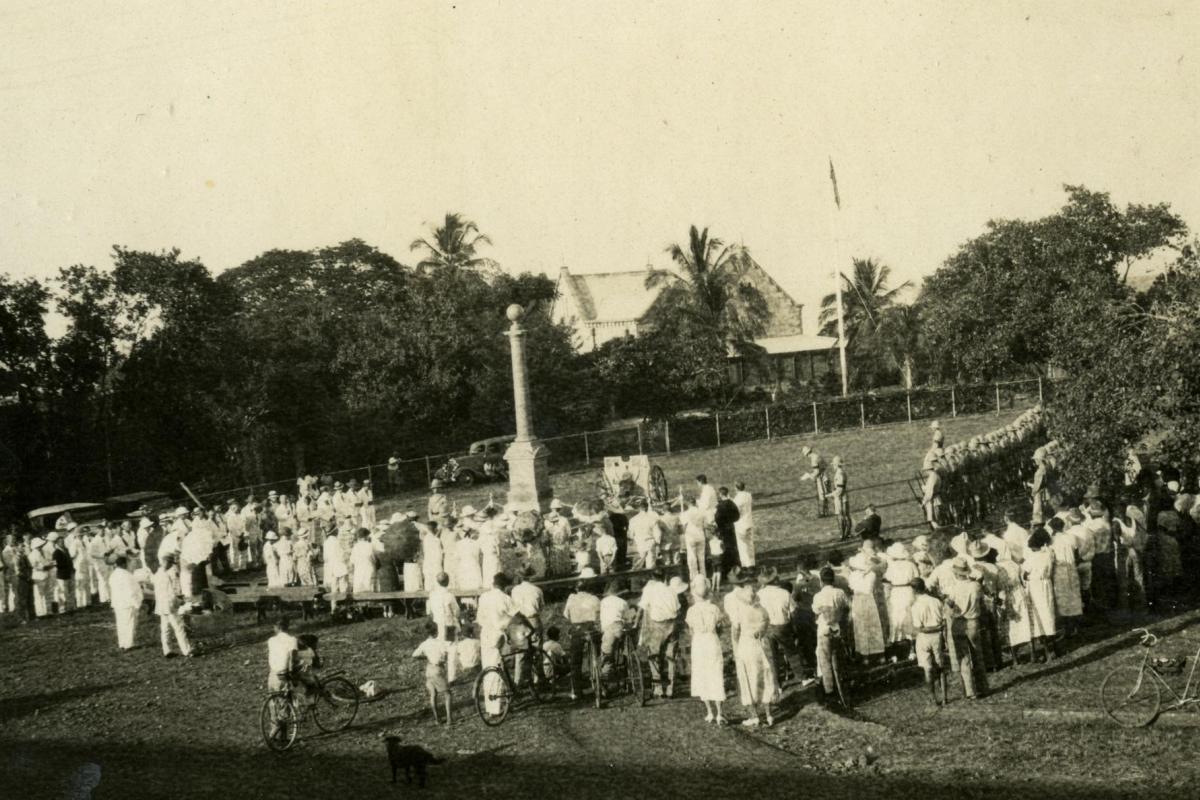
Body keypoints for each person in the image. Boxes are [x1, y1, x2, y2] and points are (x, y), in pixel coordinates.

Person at [729, 569, 780, 727]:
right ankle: (768, 714)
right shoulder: (763, 611)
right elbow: (765, 628)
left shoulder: (741, 611)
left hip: (746, 645)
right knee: (765, 678)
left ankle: (754, 715)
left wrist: (736, 645)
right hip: (761, 644)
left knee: (748, 679)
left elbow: (735, 630)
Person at [944, 558, 988, 700]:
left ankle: (970, 691)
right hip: (973, 621)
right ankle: (982, 687)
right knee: (978, 654)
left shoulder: (953, 588)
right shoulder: (976, 586)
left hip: (958, 622)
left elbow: (950, 604)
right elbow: (981, 602)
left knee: (963, 657)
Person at [686, 576, 727, 724]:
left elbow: (691, 631)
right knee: (716, 673)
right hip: (712, 640)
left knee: (701, 674)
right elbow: (720, 628)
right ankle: (720, 713)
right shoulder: (714, 608)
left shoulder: (691, 611)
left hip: (699, 642)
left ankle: (710, 712)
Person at [637, 568, 681, 698]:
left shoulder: (649, 589)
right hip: (672, 624)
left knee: (654, 655)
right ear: (664, 577)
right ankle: (670, 687)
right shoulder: (671, 590)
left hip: (658, 624)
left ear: (653, 578)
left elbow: (642, 608)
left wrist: (635, 623)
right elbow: (678, 609)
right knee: (671, 656)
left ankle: (658, 687)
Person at [811, 566, 849, 705]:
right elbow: (846, 606)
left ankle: (829, 692)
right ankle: (842, 687)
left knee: (824, 661)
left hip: (824, 629)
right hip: (837, 628)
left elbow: (815, 610)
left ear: (821, 581)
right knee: (838, 658)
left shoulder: (818, 596)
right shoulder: (840, 592)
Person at [756, 568, 801, 684]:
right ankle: (801, 677)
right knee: (791, 652)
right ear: (775, 580)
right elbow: (794, 611)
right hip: (782, 626)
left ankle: (777, 683)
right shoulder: (784, 593)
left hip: (766, 627)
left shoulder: (759, 595)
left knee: (772, 656)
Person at [563, 569, 601, 700]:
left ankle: (577, 690)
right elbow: (598, 613)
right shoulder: (594, 598)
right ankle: (602, 684)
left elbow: (566, 614)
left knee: (575, 661)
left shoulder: (571, 598)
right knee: (598, 653)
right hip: (591, 628)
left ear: (576, 589)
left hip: (577, 628)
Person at [909, 578, 947, 705]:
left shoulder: (916, 606)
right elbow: (943, 620)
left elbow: (919, 627)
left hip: (924, 637)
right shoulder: (936, 601)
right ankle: (945, 697)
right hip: (937, 636)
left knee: (928, 668)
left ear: (914, 590)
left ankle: (933, 697)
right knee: (940, 666)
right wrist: (938, 627)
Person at [883, 542, 919, 660]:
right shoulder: (911, 564)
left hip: (897, 592)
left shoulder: (892, 566)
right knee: (910, 619)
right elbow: (917, 578)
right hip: (908, 591)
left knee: (896, 620)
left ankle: (894, 653)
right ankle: (912, 651)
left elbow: (887, 579)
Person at [847, 553, 886, 662]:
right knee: (874, 625)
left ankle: (865, 656)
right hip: (869, 600)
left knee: (861, 626)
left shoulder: (853, 576)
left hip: (858, 600)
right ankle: (880, 653)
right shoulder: (872, 574)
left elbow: (851, 587)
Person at [412, 621, 452, 725]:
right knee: (447, 694)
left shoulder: (424, 643)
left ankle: (437, 719)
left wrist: (425, 656)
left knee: (433, 694)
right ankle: (449, 720)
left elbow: (414, 655)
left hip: (429, 669)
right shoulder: (440, 643)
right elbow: (445, 655)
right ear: (437, 631)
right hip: (437, 669)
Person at [153, 554, 193, 658]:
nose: (171, 566)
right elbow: (170, 594)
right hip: (169, 605)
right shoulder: (165, 576)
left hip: (161, 605)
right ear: (167, 563)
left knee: (165, 629)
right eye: (170, 563)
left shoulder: (157, 574)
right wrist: (180, 601)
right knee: (179, 628)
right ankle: (187, 651)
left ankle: (167, 650)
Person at [1049, 517, 1083, 635]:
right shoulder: (1071, 537)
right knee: (1074, 596)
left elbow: (1051, 558)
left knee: (1063, 598)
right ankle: (1076, 626)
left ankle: (1068, 627)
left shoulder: (1051, 541)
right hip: (1072, 568)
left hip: (1060, 571)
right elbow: (1077, 554)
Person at [429, 572, 462, 682]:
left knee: (440, 648)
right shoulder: (449, 595)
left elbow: (431, 611)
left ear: (437, 582)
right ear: (447, 581)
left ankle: (438, 673)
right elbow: (456, 611)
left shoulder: (433, 595)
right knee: (452, 650)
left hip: (437, 624)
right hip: (448, 625)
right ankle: (451, 678)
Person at [109, 556, 144, 651]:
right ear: (124, 564)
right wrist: (137, 603)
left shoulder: (113, 575)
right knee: (130, 623)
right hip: (127, 603)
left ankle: (122, 643)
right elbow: (131, 591)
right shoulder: (127, 576)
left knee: (121, 624)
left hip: (117, 603)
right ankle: (129, 644)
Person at [598, 579, 629, 678]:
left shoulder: (603, 602)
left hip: (608, 629)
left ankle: (606, 674)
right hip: (620, 627)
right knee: (625, 646)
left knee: (607, 653)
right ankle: (626, 665)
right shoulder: (623, 602)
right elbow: (627, 617)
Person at [714, 487, 741, 582]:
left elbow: (717, 518)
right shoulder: (732, 503)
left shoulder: (720, 506)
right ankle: (735, 568)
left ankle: (726, 571)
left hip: (723, 530)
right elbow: (737, 516)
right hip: (731, 528)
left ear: (721, 494)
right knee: (733, 548)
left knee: (724, 549)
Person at [628, 498, 664, 569]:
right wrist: (657, 544)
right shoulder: (652, 518)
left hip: (639, 543)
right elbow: (658, 533)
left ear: (639, 508)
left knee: (639, 564)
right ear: (647, 507)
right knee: (650, 564)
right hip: (650, 543)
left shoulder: (633, 520)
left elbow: (631, 535)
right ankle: (651, 578)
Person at [322, 529, 349, 612]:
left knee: (334, 589)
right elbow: (342, 555)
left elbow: (325, 557)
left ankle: (333, 608)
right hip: (339, 566)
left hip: (331, 568)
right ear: (335, 533)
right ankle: (345, 607)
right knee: (343, 587)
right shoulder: (337, 542)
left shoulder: (326, 543)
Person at [800, 446, 829, 517]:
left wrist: (809, 476)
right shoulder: (818, 456)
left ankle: (823, 513)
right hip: (825, 475)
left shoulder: (813, 459)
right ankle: (826, 511)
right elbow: (825, 465)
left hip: (821, 478)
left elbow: (817, 471)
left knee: (822, 494)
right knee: (825, 493)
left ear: (807, 454)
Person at [50, 533, 75, 614]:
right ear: (57, 543)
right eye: (60, 542)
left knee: (70, 591)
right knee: (62, 592)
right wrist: (64, 566)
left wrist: (72, 568)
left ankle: (70, 607)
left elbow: (70, 560)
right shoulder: (56, 552)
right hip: (61, 574)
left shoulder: (66, 550)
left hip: (69, 573)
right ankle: (62, 608)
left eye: (63, 542)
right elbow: (55, 564)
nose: (62, 543)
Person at [732, 481, 755, 567]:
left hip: (741, 524)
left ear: (736, 488)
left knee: (742, 546)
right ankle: (752, 563)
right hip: (749, 522)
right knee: (750, 544)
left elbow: (735, 510)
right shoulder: (748, 495)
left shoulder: (737, 499)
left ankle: (746, 565)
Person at [350, 528, 377, 594]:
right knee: (369, 588)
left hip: (358, 570)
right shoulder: (370, 545)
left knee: (359, 589)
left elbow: (352, 561)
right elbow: (373, 559)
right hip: (368, 569)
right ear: (366, 536)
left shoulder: (355, 547)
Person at [830, 456, 851, 540]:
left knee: (841, 516)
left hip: (840, 497)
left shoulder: (839, 474)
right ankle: (847, 533)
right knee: (846, 515)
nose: (833, 466)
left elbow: (840, 489)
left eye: (834, 465)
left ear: (836, 465)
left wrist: (831, 494)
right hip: (843, 496)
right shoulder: (842, 472)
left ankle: (843, 535)